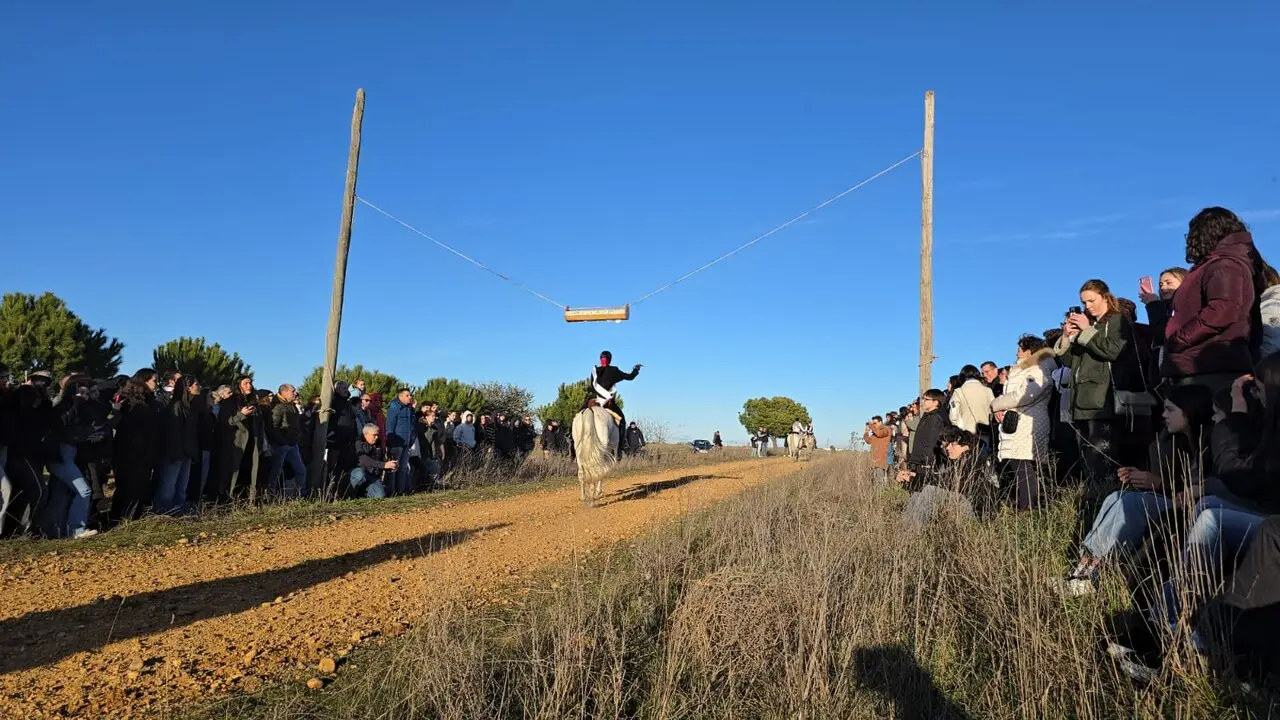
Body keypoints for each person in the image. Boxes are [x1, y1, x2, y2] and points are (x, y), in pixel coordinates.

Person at [1057, 383, 1215, 597]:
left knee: (1130, 503)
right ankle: (1083, 570)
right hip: (1176, 499)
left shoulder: (1209, 442)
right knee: (1115, 497)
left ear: (1188, 412)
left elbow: (1198, 487)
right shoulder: (1177, 441)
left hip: (1198, 506)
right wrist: (1147, 479)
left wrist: (1159, 483)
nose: (1164, 415)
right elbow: (1175, 483)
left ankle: (1093, 573)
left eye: (1170, 410)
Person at [1163, 207, 1265, 394]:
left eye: (1192, 233)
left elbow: (1222, 310)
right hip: (1201, 364)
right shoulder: (1216, 264)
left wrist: (1179, 339)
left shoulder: (1224, 264)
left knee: (1206, 421)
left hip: (1210, 366)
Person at [990, 335, 1056, 510]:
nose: (1016, 352)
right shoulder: (1026, 370)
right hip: (1018, 422)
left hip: (1027, 423)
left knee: (1023, 468)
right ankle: (1025, 505)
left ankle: (1028, 507)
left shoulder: (1038, 370)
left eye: (1019, 349)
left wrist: (996, 403)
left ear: (1028, 352)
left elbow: (1024, 395)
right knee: (1020, 467)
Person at [348, 424, 391, 499]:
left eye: (377, 435)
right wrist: (384, 465)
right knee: (360, 474)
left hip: (371, 476)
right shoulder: (358, 443)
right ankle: (349, 494)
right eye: (374, 435)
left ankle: (362, 493)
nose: (377, 437)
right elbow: (363, 460)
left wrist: (389, 467)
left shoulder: (378, 445)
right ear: (366, 434)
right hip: (356, 471)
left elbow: (379, 463)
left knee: (380, 495)